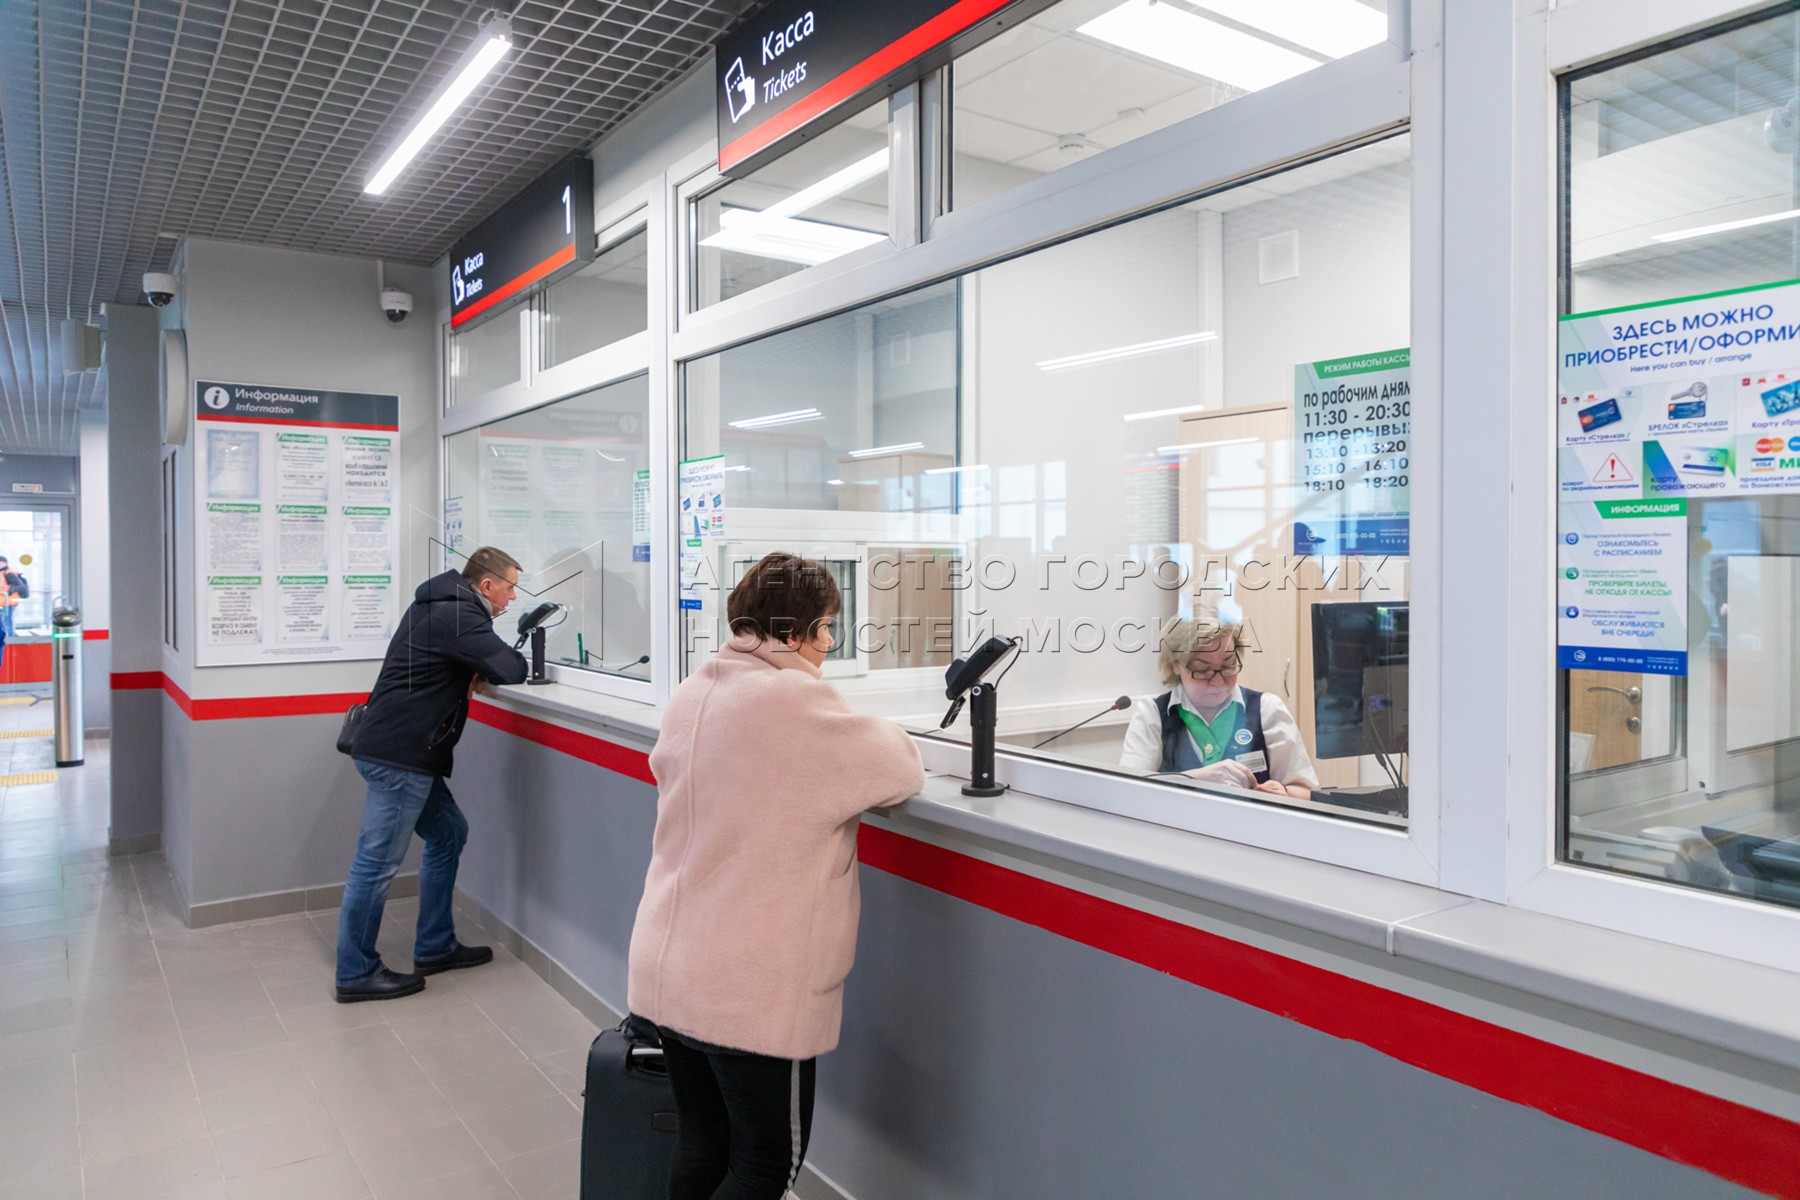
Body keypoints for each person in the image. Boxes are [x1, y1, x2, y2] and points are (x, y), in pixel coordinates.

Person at [628, 552, 923, 1200]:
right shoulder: (792, 700)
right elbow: (900, 768)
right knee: (766, 1166)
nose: (829, 643)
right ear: (793, 632)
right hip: (748, 986)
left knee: (702, 1145)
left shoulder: (697, 688)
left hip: (671, 962)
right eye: (825, 627)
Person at [335, 546, 529, 1002]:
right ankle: (355, 972)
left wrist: (468, 668)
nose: (512, 599)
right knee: (376, 864)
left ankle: (435, 945)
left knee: (448, 834)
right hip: (401, 757)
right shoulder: (460, 616)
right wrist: (479, 667)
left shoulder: (436, 604)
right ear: (486, 585)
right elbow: (512, 668)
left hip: (397, 750)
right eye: (509, 588)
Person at [1119, 615, 1320, 799]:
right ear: (1175, 666)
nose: (1218, 681)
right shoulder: (1153, 713)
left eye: (1228, 666)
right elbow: (1129, 791)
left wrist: (1284, 793)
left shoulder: (1266, 709)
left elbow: (1306, 793)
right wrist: (1198, 778)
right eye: (1202, 670)